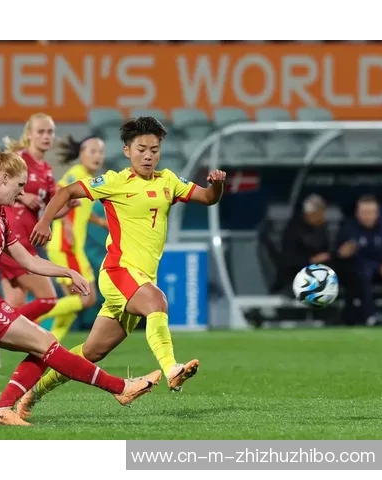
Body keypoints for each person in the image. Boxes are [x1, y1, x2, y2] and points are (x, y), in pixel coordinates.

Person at [0, 145, 161, 426]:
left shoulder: (0, 218)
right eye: (19, 185)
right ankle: (120, 388)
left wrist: (68, 272)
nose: (21, 193)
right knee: (47, 344)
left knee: (45, 347)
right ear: (4, 179)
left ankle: (3, 408)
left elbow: (29, 261)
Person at [18, 116, 226, 419]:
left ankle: (31, 395)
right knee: (157, 301)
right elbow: (66, 192)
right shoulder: (114, 182)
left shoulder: (168, 181)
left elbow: (207, 198)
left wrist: (217, 186)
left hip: (141, 277)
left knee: (92, 352)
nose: (148, 156)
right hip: (118, 272)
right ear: (127, 150)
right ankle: (172, 369)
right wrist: (45, 222)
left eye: (154, 150)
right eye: (141, 149)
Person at [0, 113, 78, 378]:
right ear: (29, 134)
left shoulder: (46, 170)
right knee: (48, 298)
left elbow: (46, 212)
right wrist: (22, 195)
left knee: (14, 304)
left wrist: (66, 208)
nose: (46, 136)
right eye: (41, 131)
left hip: (25, 241)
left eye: (50, 132)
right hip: (9, 239)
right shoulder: (18, 161)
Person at [42, 135, 108, 341]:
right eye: (92, 151)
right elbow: (58, 194)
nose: (97, 156)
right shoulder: (76, 174)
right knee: (87, 298)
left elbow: (82, 210)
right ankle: (28, 316)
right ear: (81, 154)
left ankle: (49, 344)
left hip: (72, 247)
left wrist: (101, 222)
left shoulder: (90, 180)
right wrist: (67, 226)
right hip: (65, 245)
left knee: (76, 301)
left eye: (100, 152)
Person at [278, 194, 360, 324]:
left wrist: (338, 254)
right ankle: (329, 318)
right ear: (310, 214)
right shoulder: (293, 231)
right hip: (297, 275)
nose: (323, 217)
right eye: (320, 213)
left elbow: (327, 254)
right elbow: (289, 260)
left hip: (323, 268)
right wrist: (311, 261)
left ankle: (350, 317)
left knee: (351, 272)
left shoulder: (321, 228)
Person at [335, 195, 382, 325]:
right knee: (363, 273)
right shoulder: (348, 229)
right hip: (360, 272)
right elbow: (340, 255)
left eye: (371, 212)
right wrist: (342, 254)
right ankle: (370, 316)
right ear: (357, 213)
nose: (368, 216)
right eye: (364, 212)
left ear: (377, 213)